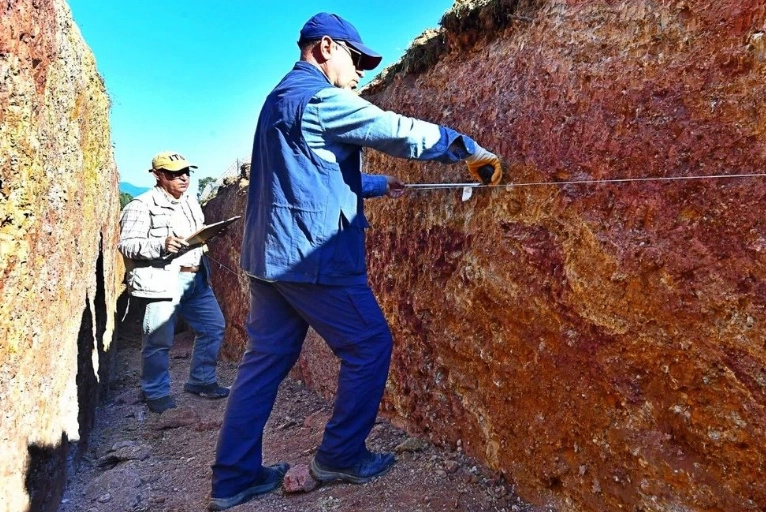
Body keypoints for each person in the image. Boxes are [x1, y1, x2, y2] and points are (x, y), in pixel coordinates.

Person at [208, 12, 503, 511]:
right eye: (357, 58)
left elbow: (302, 175)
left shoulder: (279, 99)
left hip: (267, 258)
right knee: (369, 346)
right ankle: (340, 456)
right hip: (309, 258)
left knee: (263, 364)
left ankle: (232, 479)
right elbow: (395, 131)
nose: (362, 71)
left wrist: (375, 185)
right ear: (326, 47)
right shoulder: (323, 99)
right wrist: (466, 149)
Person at [118, 151, 230, 414]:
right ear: (157, 175)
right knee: (158, 340)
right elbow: (126, 245)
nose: (183, 178)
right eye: (174, 173)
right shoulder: (141, 205)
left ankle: (201, 381)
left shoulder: (190, 202)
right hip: (163, 281)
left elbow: (194, 237)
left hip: (196, 279)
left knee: (213, 327)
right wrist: (161, 244)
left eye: (186, 172)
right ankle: (155, 392)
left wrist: (212, 234)